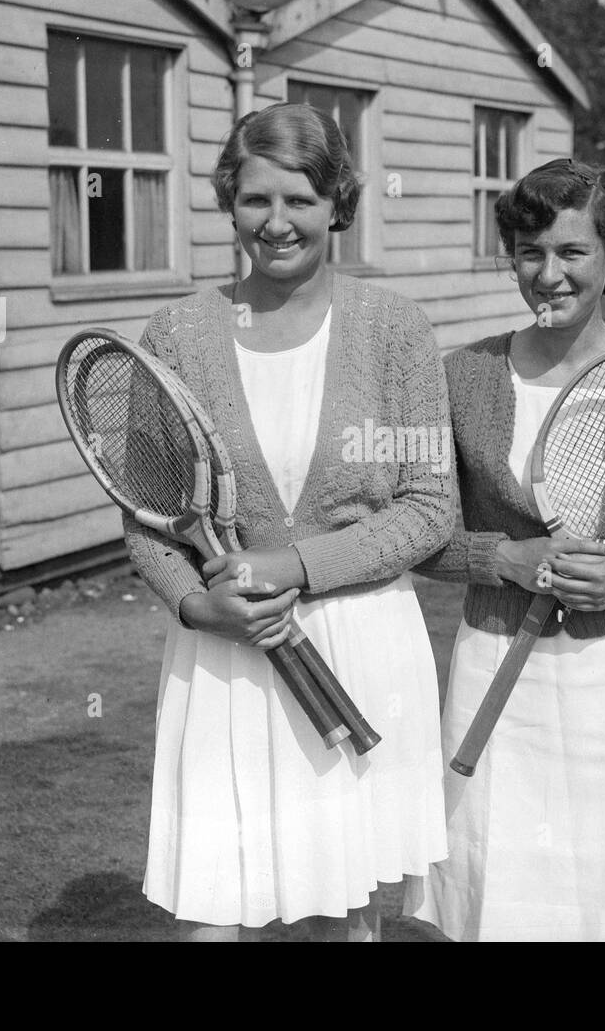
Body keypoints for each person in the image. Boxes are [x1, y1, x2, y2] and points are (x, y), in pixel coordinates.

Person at [122, 103, 454, 942]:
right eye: (255, 201)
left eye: (301, 201)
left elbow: (430, 507)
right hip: (224, 652)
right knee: (216, 908)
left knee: (346, 916)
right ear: (228, 203)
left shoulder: (396, 332)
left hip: (358, 643)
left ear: (338, 201)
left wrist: (294, 567)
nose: (277, 224)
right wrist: (201, 606)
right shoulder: (176, 334)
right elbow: (146, 520)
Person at [405, 158, 605, 941]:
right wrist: (499, 560)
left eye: (571, 252)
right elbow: (418, 534)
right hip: (492, 666)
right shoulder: (461, 377)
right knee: (496, 886)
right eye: (528, 252)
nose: (547, 274)